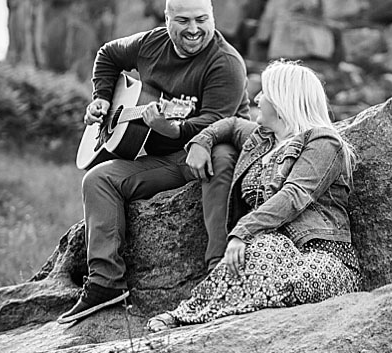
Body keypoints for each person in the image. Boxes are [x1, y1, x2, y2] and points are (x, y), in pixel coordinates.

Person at [58, 0, 250, 324]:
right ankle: (106, 284)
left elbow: (217, 123)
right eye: (184, 20)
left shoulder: (226, 64)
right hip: (162, 156)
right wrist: (103, 97)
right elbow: (107, 55)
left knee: (219, 156)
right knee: (98, 180)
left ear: (213, 17)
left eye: (202, 19)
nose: (194, 29)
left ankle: (219, 270)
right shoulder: (151, 44)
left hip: (208, 148)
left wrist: (172, 129)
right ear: (167, 19)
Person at [145, 60, 360, 331]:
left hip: (322, 257)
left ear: (283, 101)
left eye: (265, 93)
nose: (257, 98)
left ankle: (190, 317)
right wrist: (202, 141)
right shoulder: (262, 139)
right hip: (271, 252)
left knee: (264, 251)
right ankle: (189, 316)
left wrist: (242, 232)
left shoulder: (323, 142)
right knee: (262, 249)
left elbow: (294, 195)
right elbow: (232, 125)